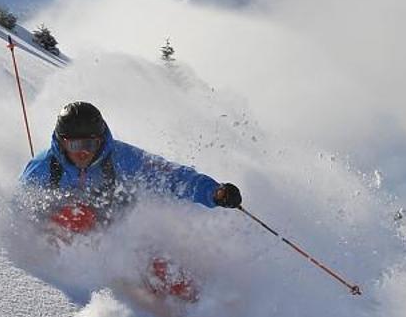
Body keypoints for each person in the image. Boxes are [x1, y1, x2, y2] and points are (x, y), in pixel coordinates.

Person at [20, 100, 241, 304]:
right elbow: (19, 210)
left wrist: (213, 192)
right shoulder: (44, 167)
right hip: (61, 238)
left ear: (100, 139)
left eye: (90, 143)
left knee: (161, 270)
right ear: (62, 142)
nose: (84, 152)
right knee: (78, 216)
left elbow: (170, 176)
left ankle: (204, 310)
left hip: (116, 236)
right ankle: (82, 292)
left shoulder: (120, 158)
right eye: (75, 145)